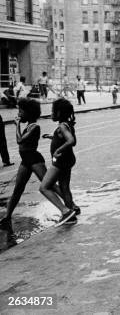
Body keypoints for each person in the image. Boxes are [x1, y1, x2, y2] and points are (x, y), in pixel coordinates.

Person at [0, 99, 73, 235]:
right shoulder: (29, 125)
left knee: (49, 185)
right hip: (25, 161)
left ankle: (71, 206)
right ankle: (7, 215)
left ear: (29, 113)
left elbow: (19, 140)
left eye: (21, 111)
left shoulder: (34, 127)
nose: (19, 114)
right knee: (18, 188)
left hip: (35, 161)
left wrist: (16, 125)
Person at [40, 98, 80, 225]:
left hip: (60, 161)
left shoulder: (62, 126)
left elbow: (71, 141)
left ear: (59, 113)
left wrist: (58, 150)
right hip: (67, 160)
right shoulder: (67, 125)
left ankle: (65, 211)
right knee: (64, 187)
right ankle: (71, 212)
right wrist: (52, 137)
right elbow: (69, 139)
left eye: (53, 112)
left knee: (44, 187)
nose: (51, 114)